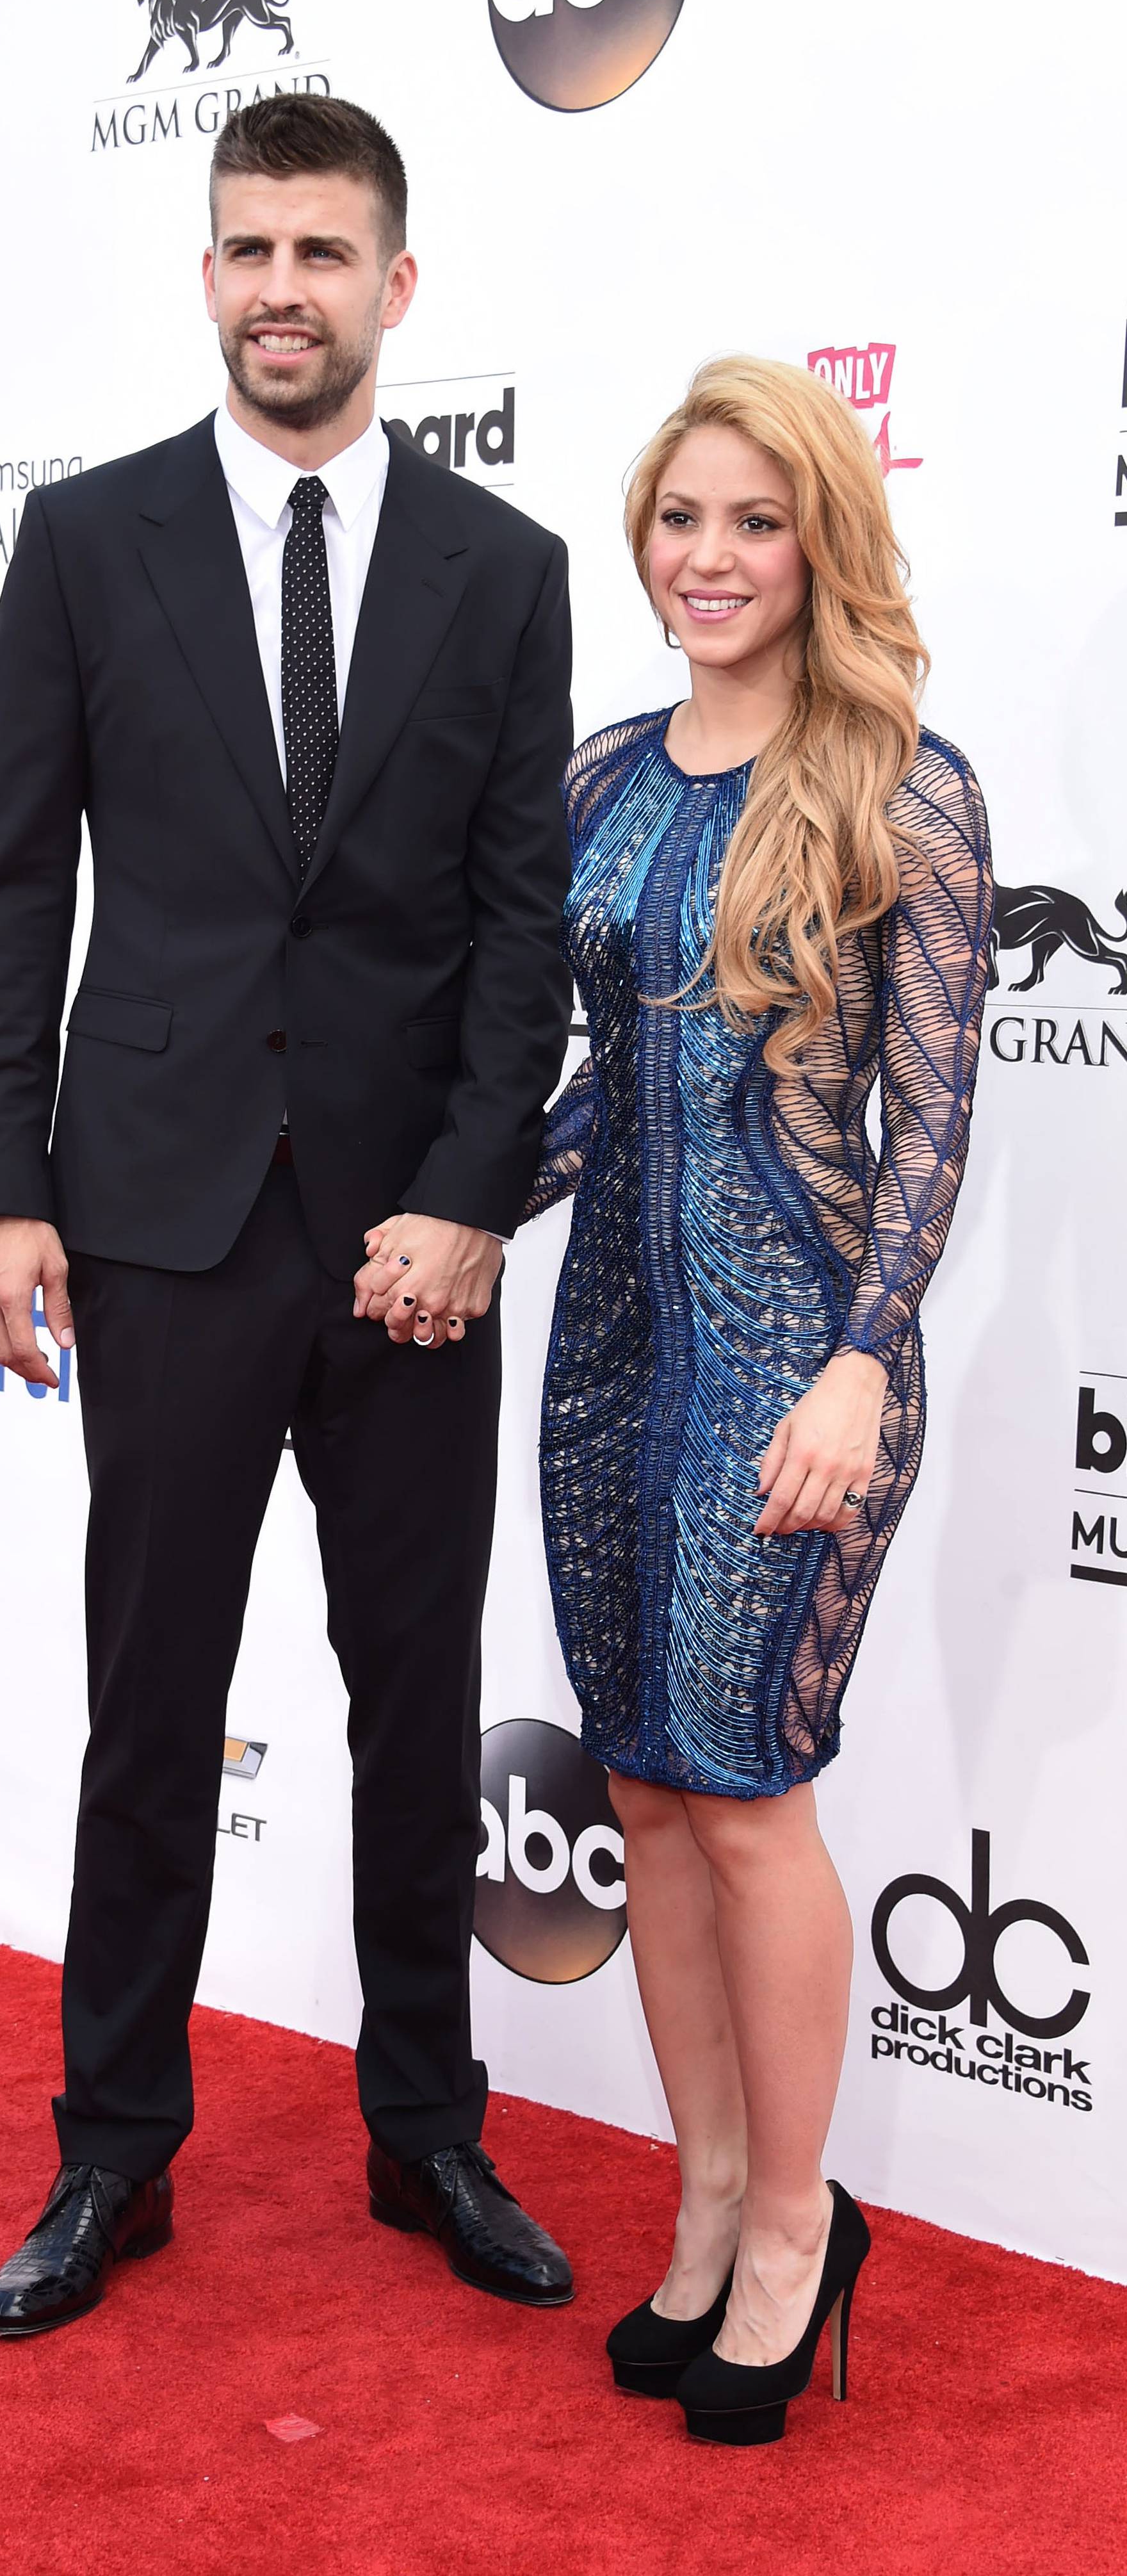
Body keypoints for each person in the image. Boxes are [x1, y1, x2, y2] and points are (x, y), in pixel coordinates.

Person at [0, 93, 576, 2338]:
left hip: (412, 1249)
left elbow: (525, 936)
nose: (283, 289)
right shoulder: (91, 543)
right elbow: (10, 887)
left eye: (325, 252)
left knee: (417, 1704)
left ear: (399, 286)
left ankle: (428, 2132)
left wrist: (473, 1200)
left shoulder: (505, 571)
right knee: (149, 1702)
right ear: (207, 277)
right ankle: (113, 2151)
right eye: (247, 250)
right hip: (162, 1225)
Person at [519, 355, 992, 2444]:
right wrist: (442, 1216)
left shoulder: (900, 782)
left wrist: (865, 1364)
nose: (707, 558)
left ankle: (801, 2224)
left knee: (747, 1789)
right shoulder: (599, 776)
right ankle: (704, 2195)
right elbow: (582, 1099)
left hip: (798, 1359)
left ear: (821, 543)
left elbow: (934, 1121)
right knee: (639, 1790)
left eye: (754, 521)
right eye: (679, 518)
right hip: (608, 1352)